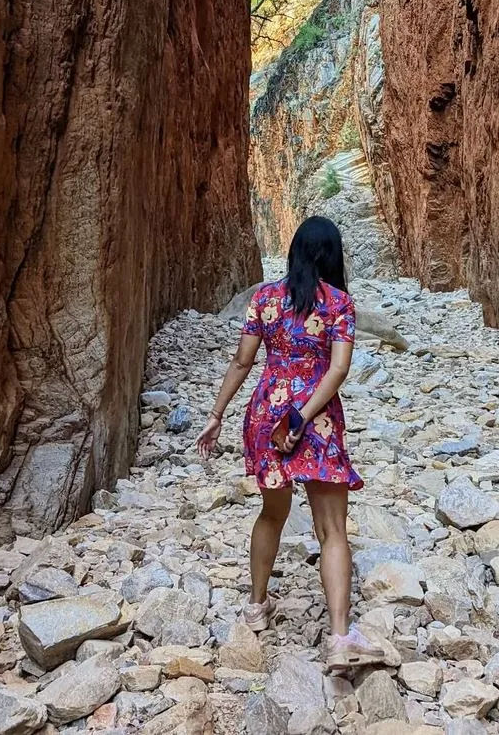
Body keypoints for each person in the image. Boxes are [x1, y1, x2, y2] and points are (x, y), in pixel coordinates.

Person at [196, 216, 384, 672]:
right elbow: (337, 371)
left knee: (272, 511)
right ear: (333, 256)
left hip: (266, 414)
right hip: (312, 419)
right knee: (332, 529)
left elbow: (243, 362)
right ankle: (340, 638)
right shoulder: (339, 304)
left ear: (295, 251)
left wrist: (216, 414)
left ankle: (256, 609)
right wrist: (304, 413)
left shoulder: (264, 298)